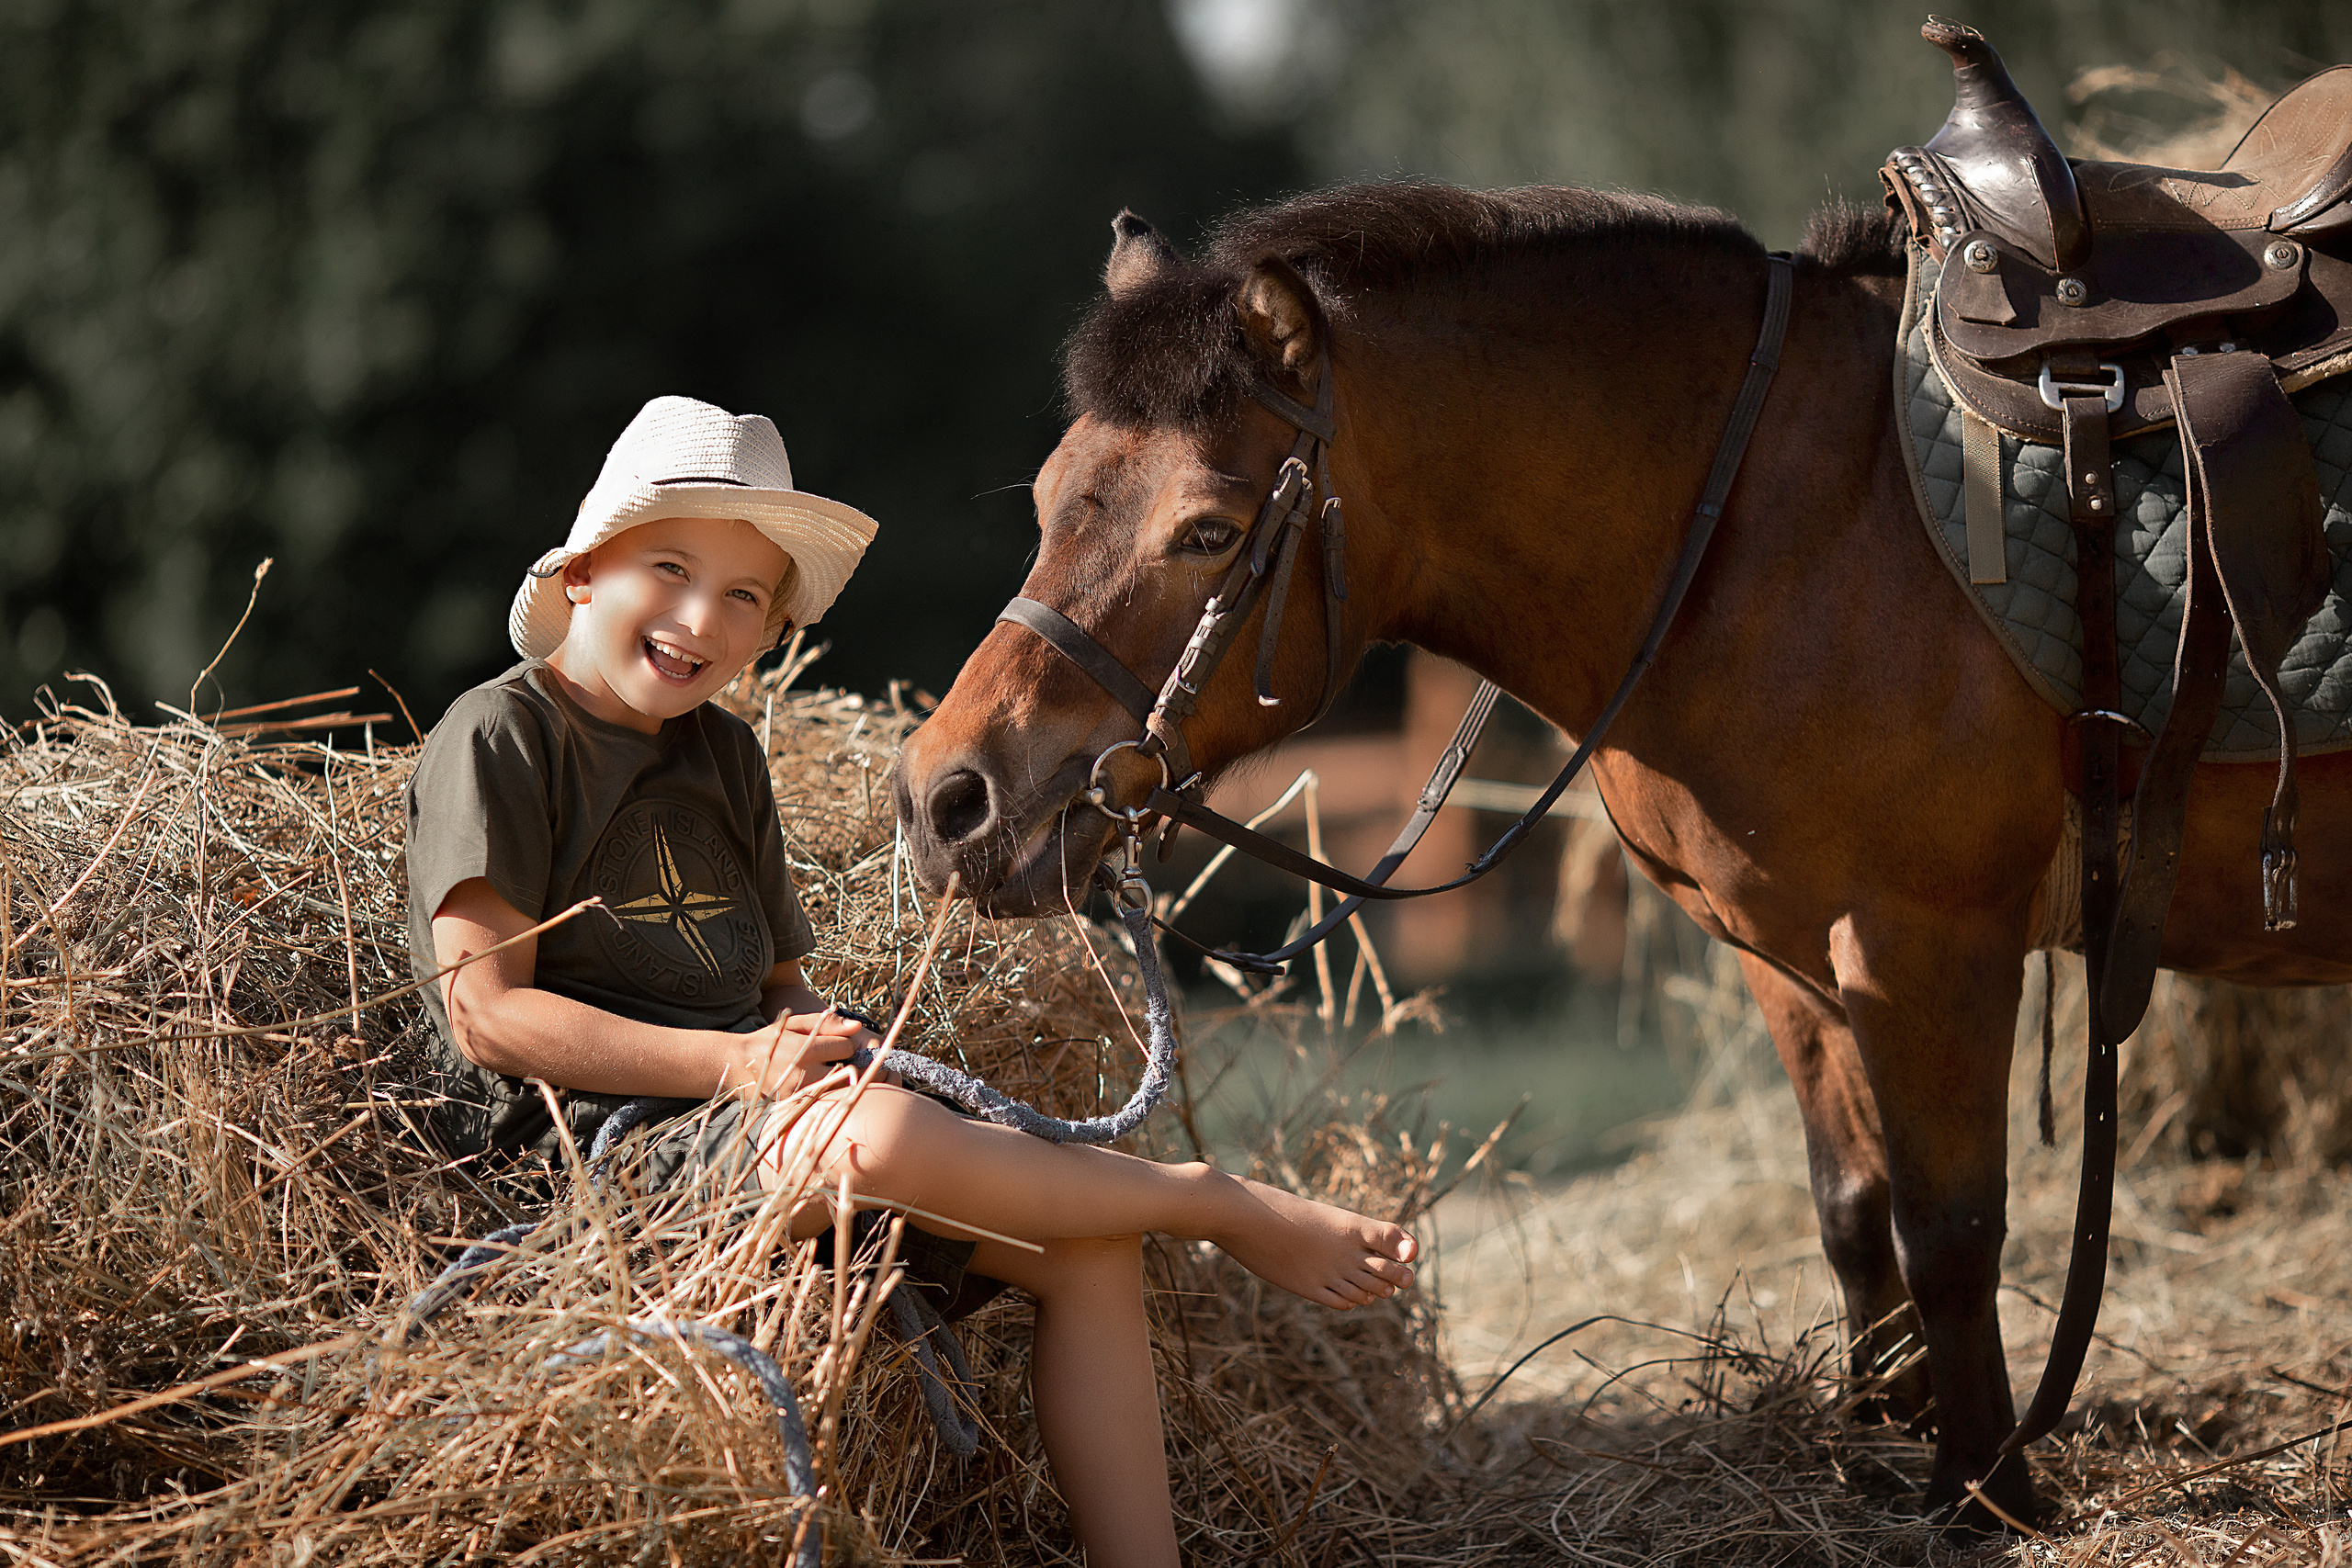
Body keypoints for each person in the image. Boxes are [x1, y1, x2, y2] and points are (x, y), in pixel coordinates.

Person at [404, 395, 1417, 1568]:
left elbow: (776, 986)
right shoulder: (500, 737)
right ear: (583, 572)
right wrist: (740, 1066)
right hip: (588, 1152)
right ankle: (1205, 1199)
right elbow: (486, 1013)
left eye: (744, 597)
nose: (700, 620)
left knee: (1082, 1249)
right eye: (669, 569)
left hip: (752, 1118)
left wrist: (812, 1041)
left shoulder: (723, 755)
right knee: (874, 1143)